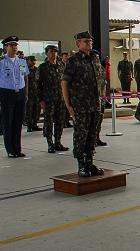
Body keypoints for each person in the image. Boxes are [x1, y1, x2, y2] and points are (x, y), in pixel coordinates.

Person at [61, 31, 104, 177]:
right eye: (85, 41)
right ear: (78, 43)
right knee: (81, 134)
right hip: (80, 105)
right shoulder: (73, 61)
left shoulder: (95, 59)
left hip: (95, 104)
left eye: (90, 41)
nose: (88, 44)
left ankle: (89, 163)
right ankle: (81, 164)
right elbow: (65, 82)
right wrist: (68, 105)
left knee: (93, 134)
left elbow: (100, 79)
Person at [0, 36, 29, 158]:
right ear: (6, 47)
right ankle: (10, 149)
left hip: (20, 93)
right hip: (7, 93)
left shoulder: (22, 61)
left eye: (16, 45)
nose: (15, 47)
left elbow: (26, 77)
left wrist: (26, 93)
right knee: (8, 122)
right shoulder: (1, 62)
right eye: (12, 45)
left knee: (18, 122)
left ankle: (17, 149)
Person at [38, 45, 68, 153]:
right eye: (51, 51)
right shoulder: (43, 67)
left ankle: (58, 142)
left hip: (60, 98)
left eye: (55, 51)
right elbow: (39, 84)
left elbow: (65, 82)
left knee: (60, 121)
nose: (53, 53)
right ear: (46, 53)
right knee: (49, 121)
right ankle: (49, 143)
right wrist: (41, 100)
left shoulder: (61, 66)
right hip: (48, 99)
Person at [25, 56, 42, 132]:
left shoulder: (37, 70)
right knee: (29, 109)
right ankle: (29, 125)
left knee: (37, 109)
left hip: (36, 92)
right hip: (29, 92)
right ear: (28, 61)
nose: (33, 62)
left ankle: (35, 124)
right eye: (31, 60)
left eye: (34, 60)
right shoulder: (25, 70)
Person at [60, 51, 73, 128]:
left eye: (67, 56)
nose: (67, 58)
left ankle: (67, 121)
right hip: (60, 90)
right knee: (62, 108)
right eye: (65, 56)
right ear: (62, 57)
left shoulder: (69, 65)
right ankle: (63, 122)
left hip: (69, 89)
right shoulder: (59, 66)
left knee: (67, 106)